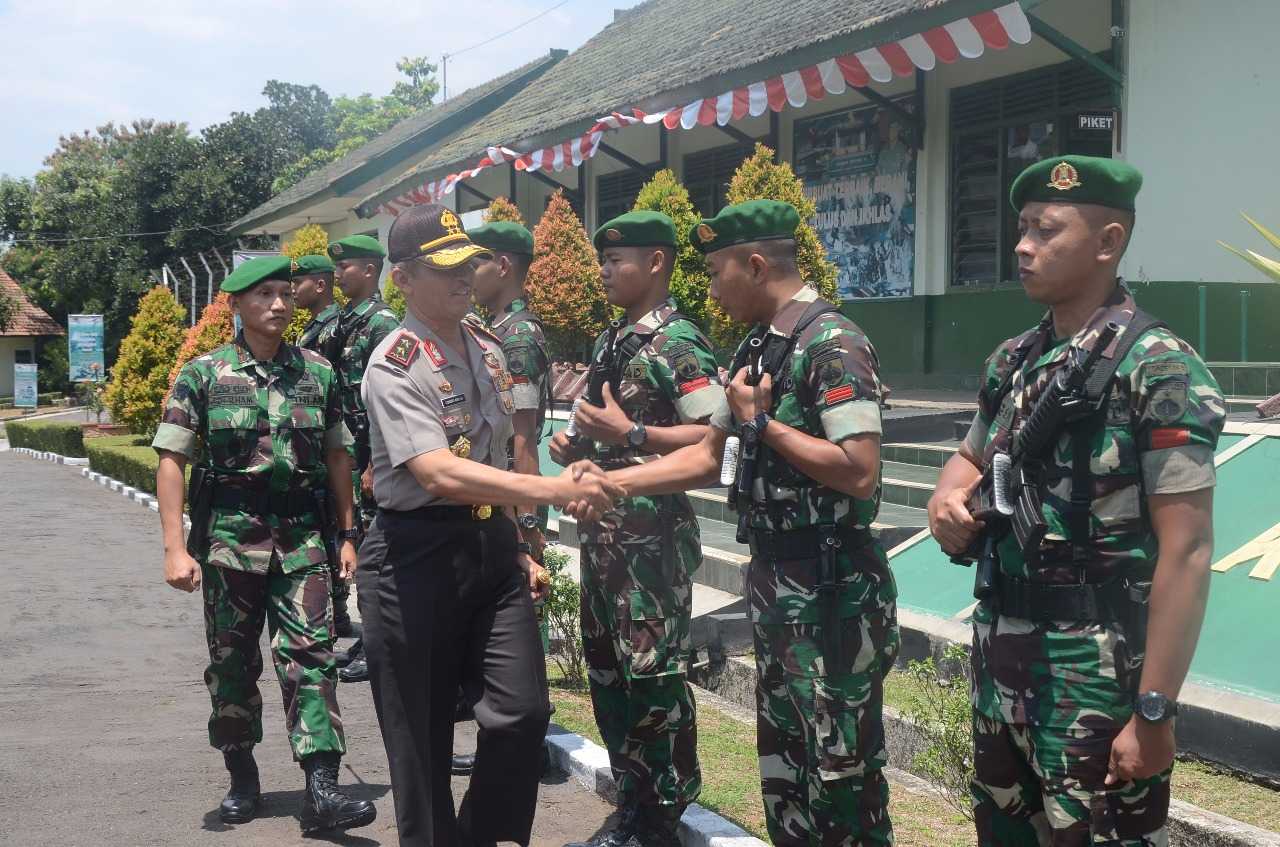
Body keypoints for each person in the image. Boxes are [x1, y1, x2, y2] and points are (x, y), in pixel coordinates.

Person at [566, 199, 898, 845]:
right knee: (786, 771)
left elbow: (860, 470)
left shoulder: (834, 342)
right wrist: (609, 480)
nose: (711, 291)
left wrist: (764, 424)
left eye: (718, 273)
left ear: (754, 264)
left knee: (841, 774)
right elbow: (705, 455)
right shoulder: (759, 347)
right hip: (779, 580)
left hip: (832, 590)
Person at [926, 155, 1225, 846]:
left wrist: (1153, 711)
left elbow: (1188, 548)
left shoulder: (1160, 367)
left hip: (1097, 678)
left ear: (1108, 241)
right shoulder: (1014, 359)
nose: (1023, 246)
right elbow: (970, 456)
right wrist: (946, 497)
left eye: (1046, 230)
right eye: (1022, 227)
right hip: (1001, 664)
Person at [356, 203, 623, 847]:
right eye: (442, 269)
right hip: (412, 557)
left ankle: (483, 835)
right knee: (420, 738)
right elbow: (440, 474)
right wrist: (550, 490)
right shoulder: (393, 364)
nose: (461, 279)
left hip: (491, 549)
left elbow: (495, 452)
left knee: (521, 714)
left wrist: (523, 543)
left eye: (467, 266)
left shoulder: (489, 348)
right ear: (403, 279)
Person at [153, 255, 376, 835]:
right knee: (232, 663)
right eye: (263, 295)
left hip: (303, 541)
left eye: (284, 292)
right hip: (231, 541)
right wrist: (175, 548)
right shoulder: (203, 375)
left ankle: (322, 790)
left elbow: (338, 456)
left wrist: (348, 534)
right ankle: (242, 775)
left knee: (312, 658)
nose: (278, 304)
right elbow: (172, 458)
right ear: (235, 304)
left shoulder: (318, 372)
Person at [550, 211, 722, 847]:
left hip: (651, 544)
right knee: (609, 675)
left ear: (656, 263)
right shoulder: (613, 340)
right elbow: (598, 424)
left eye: (616, 261)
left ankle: (662, 813)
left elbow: (712, 437)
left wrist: (630, 436)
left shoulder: (679, 343)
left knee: (652, 679)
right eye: (601, 260)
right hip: (602, 542)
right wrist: (578, 448)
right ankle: (632, 804)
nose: (603, 271)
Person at [461, 219, 552, 779]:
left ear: (504, 266)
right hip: (497, 497)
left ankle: (529, 749)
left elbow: (522, 437)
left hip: (511, 503)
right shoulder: (494, 328)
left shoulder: (517, 336)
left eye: (477, 262)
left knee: (519, 625)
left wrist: (525, 523)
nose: (468, 273)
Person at [325, 234, 401, 683]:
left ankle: (380, 647)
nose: (338, 274)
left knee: (374, 555)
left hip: (371, 457)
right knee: (357, 549)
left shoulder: (381, 323)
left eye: (345, 266)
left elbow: (384, 402)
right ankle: (369, 641)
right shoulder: (345, 321)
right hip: (347, 455)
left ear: (370, 271)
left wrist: (376, 462)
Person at [292, 252, 358, 640]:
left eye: (296, 284)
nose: (290, 293)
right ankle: (333, 610)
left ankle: (335, 610)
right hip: (318, 449)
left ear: (319, 285)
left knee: (336, 525)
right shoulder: (316, 327)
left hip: (337, 445)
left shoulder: (335, 327)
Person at [294, 253, 341, 352]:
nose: (292, 290)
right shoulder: (317, 323)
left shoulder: (337, 327)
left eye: (297, 283)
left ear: (320, 286)